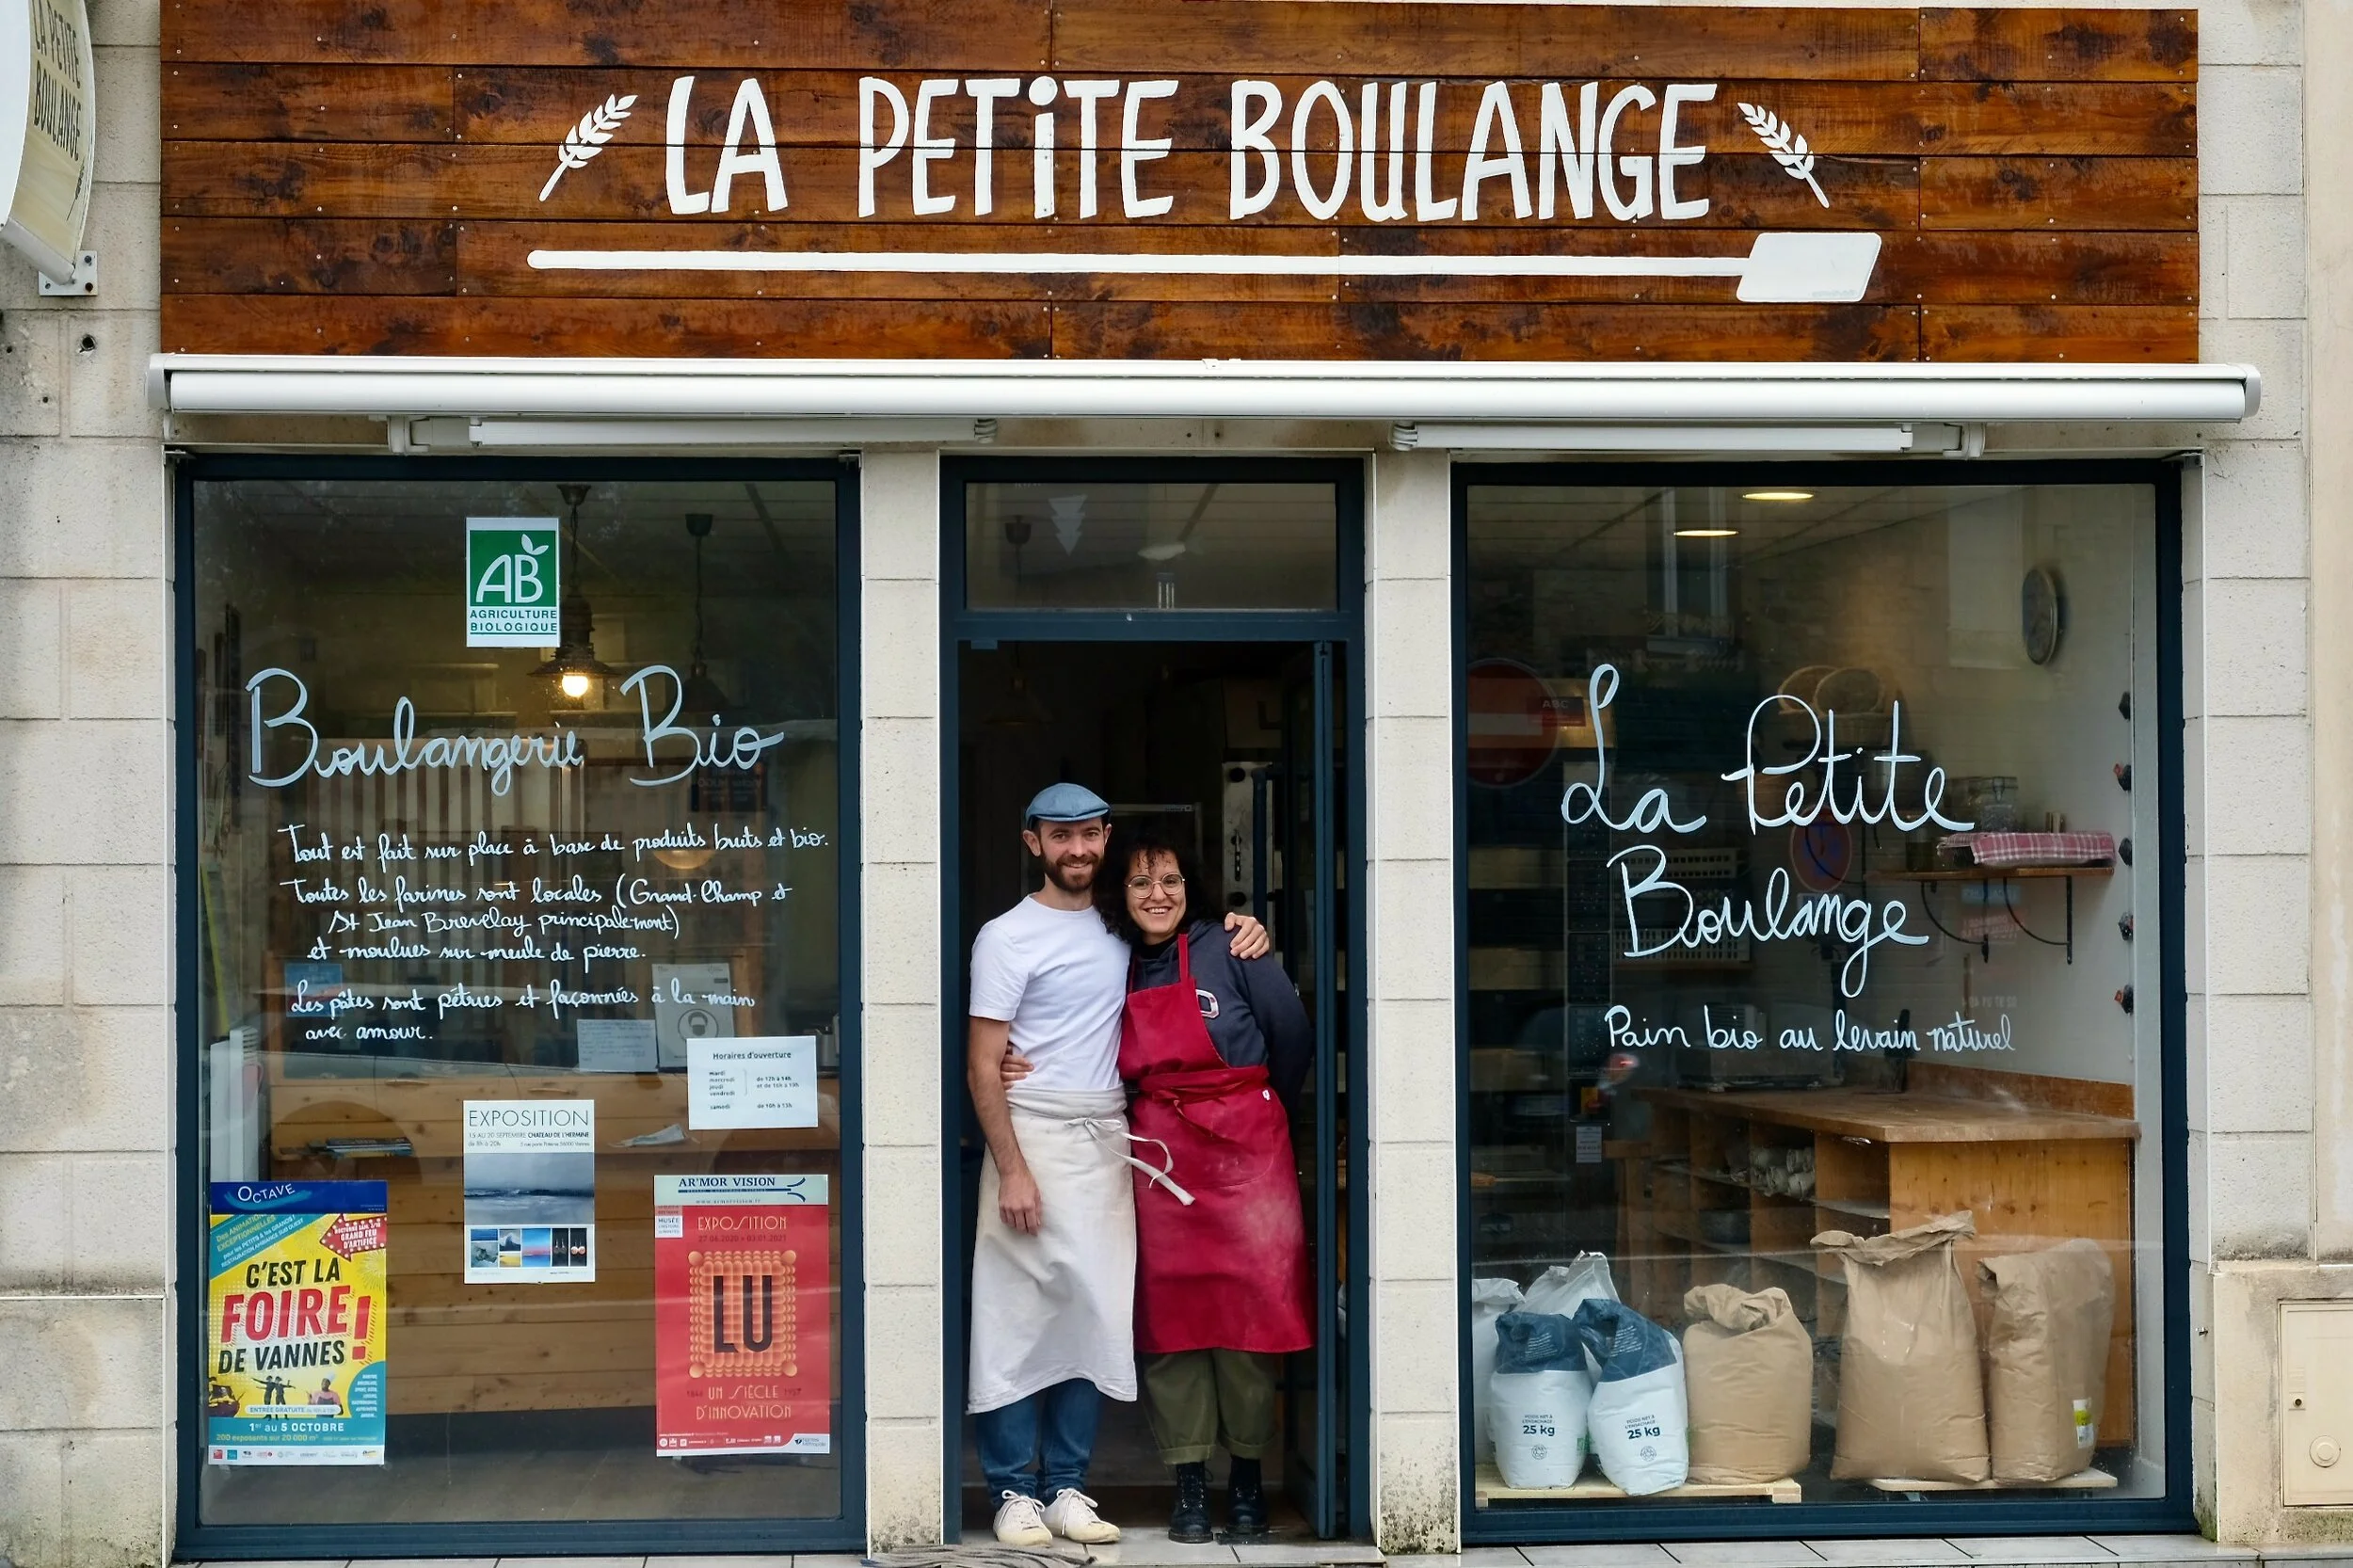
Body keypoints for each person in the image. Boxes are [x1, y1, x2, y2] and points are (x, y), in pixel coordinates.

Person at [966, 783, 1269, 1547]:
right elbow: (981, 1064)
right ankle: (1012, 1493)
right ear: (1032, 842)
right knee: (1014, 1319)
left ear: (1105, 838)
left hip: (1107, 1138)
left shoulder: (1122, 929)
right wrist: (1012, 1168)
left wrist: (1245, 925)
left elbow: (1184, 943)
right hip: (1031, 1137)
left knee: (1094, 1316)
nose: (1076, 850)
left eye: (1089, 835)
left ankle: (1067, 1486)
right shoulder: (1005, 936)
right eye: (1058, 837)